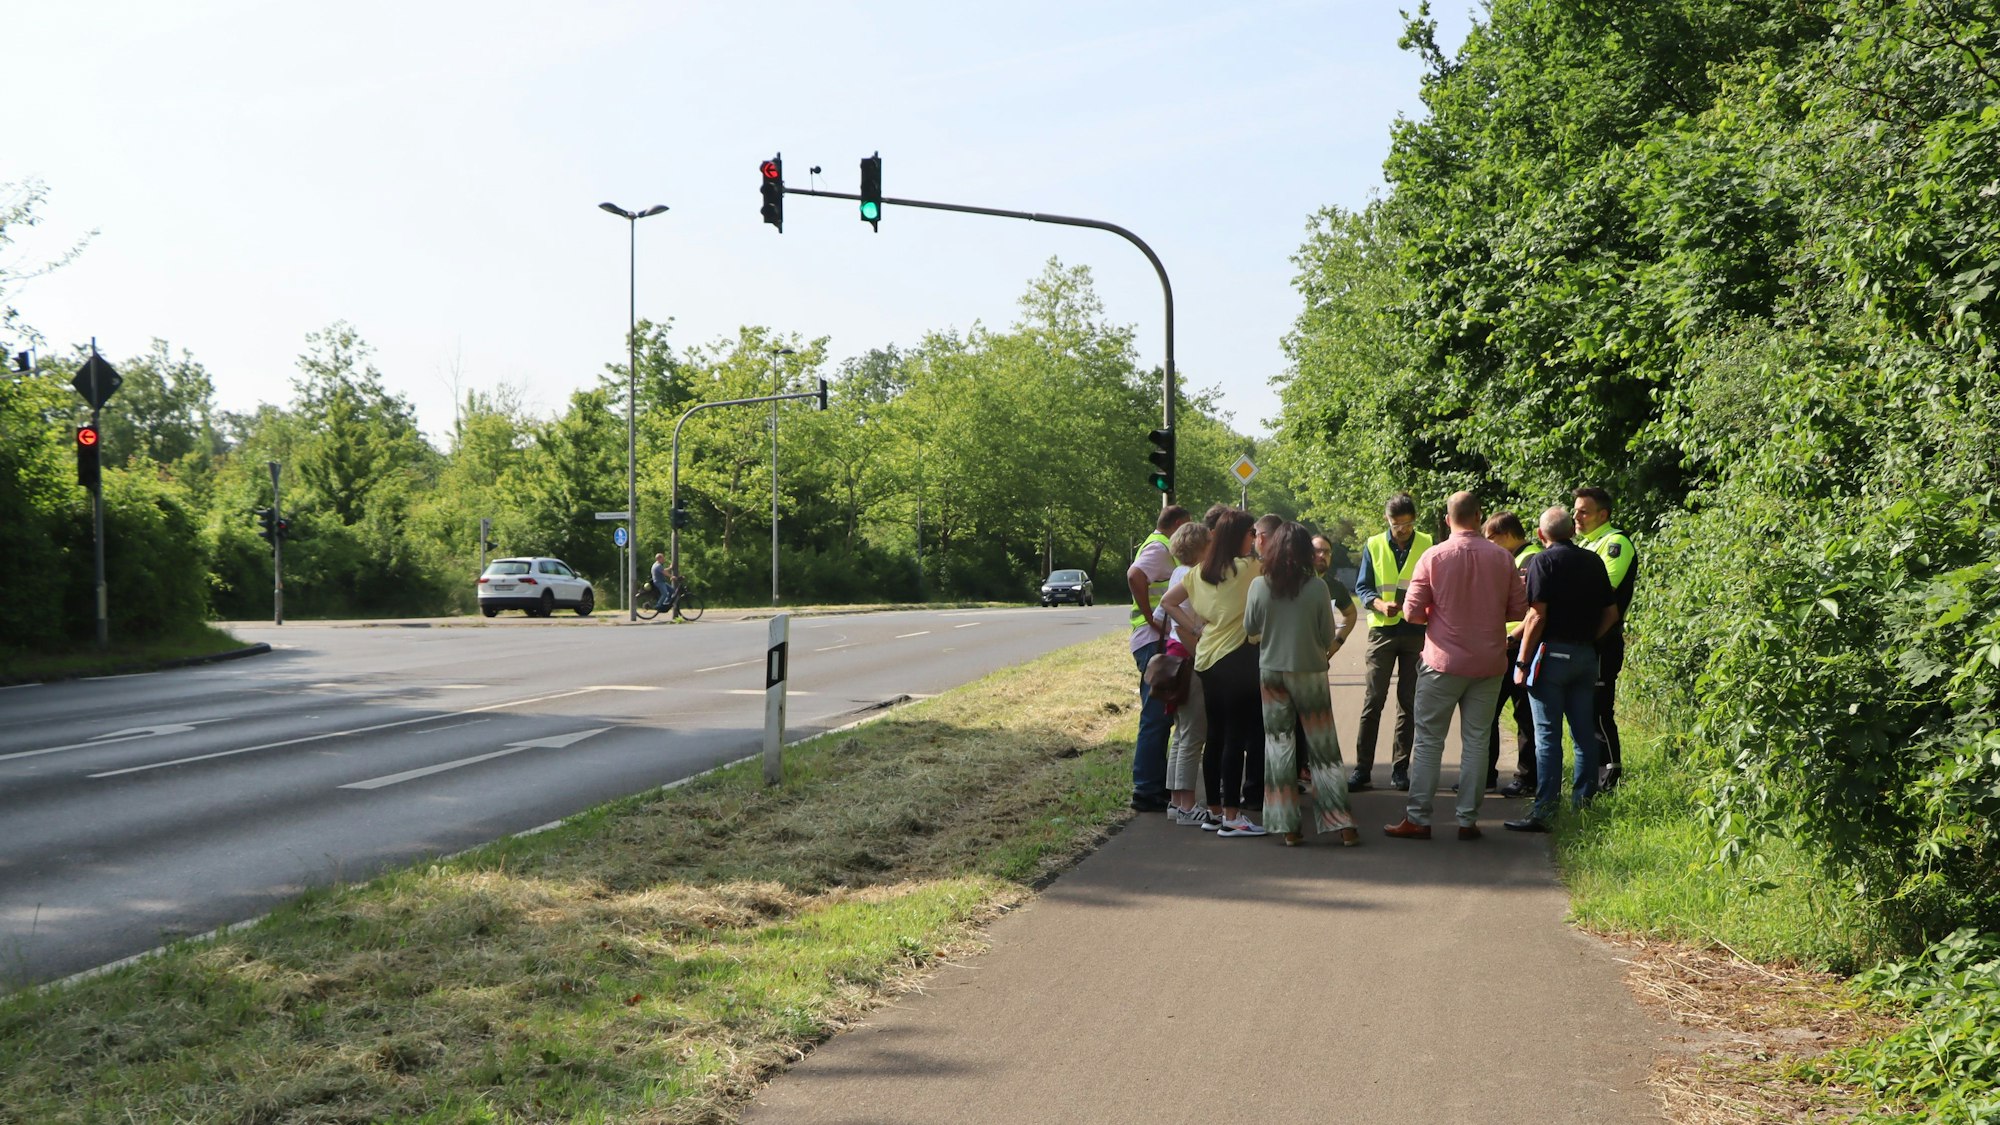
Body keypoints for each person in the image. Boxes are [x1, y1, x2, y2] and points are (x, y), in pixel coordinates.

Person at [1383, 492, 1526, 841]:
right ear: (1479, 516)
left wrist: (1437, 613)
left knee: (1429, 741)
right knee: (1477, 741)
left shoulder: (1433, 557)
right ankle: (1467, 820)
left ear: (1448, 520)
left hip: (1442, 663)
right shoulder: (1502, 558)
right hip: (1489, 662)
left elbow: (1412, 613)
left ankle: (1418, 818)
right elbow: (1518, 609)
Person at [1246, 522, 1360, 847]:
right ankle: (1342, 825)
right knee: (1323, 748)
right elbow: (1325, 636)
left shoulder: (1259, 585)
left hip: (1271, 671)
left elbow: (1250, 627)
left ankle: (1288, 827)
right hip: (1310, 671)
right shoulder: (1317, 588)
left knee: (1278, 746)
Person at [1504, 506, 1618, 832]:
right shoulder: (1594, 561)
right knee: (1584, 734)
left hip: (1550, 658)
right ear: (1571, 531)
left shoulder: (1542, 562)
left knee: (1548, 737)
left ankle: (1545, 812)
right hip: (1585, 658)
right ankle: (1583, 806)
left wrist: (1522, 661)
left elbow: (1537, 616)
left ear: (1541, 535)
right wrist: (1589, 640)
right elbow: (1611, 614)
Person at [1161, 508, 1266, 837]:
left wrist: (1194, 626)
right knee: (1235, 736)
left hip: (1207, 659)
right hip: (1237, 659)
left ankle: (1214, 812)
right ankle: (1233, 817)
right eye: (1251, 534)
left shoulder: (1198, 573)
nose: (1254, 539)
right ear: (1240, 536)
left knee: (1216, 737)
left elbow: (1167, 602)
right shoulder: (1248, 568)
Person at [1351, 493, 1432, 791]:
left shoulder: (1427, 543)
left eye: (1408, 524)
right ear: (1387, 520)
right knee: (1373, 701)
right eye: (1397, 525)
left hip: (1415, 632)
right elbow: (1363, 587)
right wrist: (1378, 604)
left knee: (1408, 703)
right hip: (1382, 632)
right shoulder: (1373, 544)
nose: (1403, 530)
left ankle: (1400, 769)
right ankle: (1362, 769)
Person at [1127, 505, 1192, 812]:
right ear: (1177, 524)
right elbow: (1135, 575)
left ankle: (1154, 785)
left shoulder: (1161, 546)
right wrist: (1150, 618)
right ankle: (1146, 789)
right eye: (1186, 526)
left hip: (1155, 639)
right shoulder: (1160, 547)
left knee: (1161, 715)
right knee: (1155, 715)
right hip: (1153, 641)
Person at [1574, 486, 1638, 792]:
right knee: (1585, 710)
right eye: (1575, 511)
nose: (1577, 516)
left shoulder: (1615, 542)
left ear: (1603, 514)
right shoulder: (1588, 544)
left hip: (1603, 639)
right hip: (1587, 640)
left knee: (1599, 710)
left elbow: (1602, 590)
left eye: (1584, 512)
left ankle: (1609, 776)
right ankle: (1593, 776)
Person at [1482, 512, 1542, 795]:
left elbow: (1533, 610)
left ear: (1506, 535)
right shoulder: (1511, 559)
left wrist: (1511, 637)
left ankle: (1526, 779)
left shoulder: (1530, 561)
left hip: (1517, 647)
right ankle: (1484, 775)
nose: (1488, 544)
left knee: (1524, 715)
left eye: (1491, 538)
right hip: (1503, 646)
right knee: (1488, 712)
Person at [1159, 520, 1214, 826]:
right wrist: (1196, 628)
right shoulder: (1194, 575)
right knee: (1193, 733)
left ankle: (1176, 802)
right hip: (1189, 657)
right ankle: (1187, 806)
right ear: (1201, 547)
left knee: (1181, 733)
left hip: (1174, 656)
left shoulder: (1178, 573)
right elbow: (1176, 609)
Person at [1310, 534, 1362, 646]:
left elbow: (1351, 614)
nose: (1322, 555)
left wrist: (1337, 642)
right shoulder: (1294, 582)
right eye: (1317, 551)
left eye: (1327, 552)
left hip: (1320, 652)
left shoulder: (1335, 587)